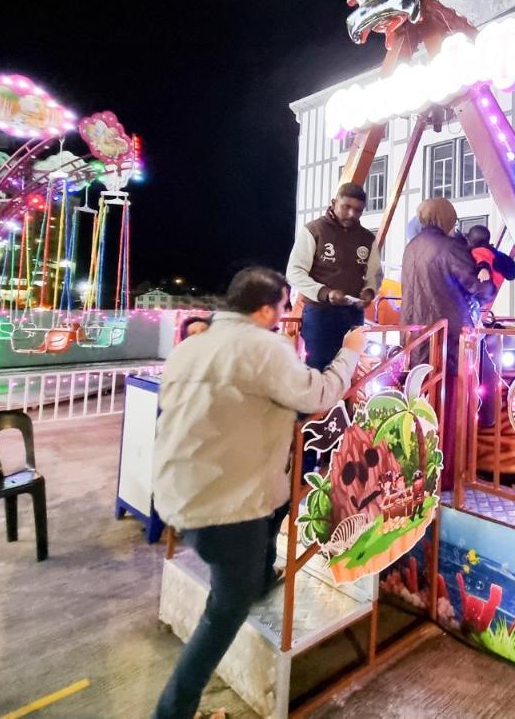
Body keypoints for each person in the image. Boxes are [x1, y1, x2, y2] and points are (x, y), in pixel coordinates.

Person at [151, 267, 364, 719]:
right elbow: (319, 394)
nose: (286, 316)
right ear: (267, 310)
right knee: (226, 610)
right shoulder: (262, 348)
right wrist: (349, 355)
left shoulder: (194, 344)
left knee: (276, 513)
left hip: (179, 494)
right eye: (285, 308)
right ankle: (173, 710)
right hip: (226, 507)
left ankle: (261, 576)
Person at [400, 198, 496, 489]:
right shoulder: (451, 248)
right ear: (446, 219)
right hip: (449, 342)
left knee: (421, 406)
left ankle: (417, 473)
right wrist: (486, 278)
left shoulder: (411, 248)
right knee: (449, 410)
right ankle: (445, 477)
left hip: (417, 341)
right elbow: (478, 288)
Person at [286, 182, 382, 369]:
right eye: (346, 207)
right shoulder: (314, 230)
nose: (352, 214)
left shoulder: (367, 238)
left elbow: (375, 274)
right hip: (319, 314)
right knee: (319, 368)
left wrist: (370, 291)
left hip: (354, 315)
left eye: (358, 210)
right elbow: (294, 272)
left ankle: (347, 400)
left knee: (351, 369)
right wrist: (325, 293)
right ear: (333, 202)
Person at [466, 224, 515, 295]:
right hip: (493, 289)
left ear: (474, 242)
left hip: (487, 289)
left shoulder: (478, 251)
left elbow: (483, 262)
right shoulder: (494, 252)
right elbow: (512, 271)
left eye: (469, 240)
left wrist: (484, 269)